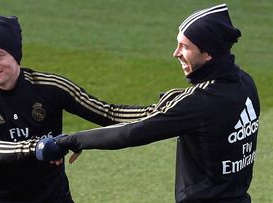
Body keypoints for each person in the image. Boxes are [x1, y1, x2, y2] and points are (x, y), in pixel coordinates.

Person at [38, 4, 260, 203]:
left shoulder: (200, 102)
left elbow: (133, 132)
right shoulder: (245, 83)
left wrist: (71, 140)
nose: (176, 53)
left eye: (184, 47)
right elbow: (154, 116)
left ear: (208, 53)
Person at [0, 8, 154, 203]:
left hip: (55, 197)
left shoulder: (50, 87)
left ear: (15, 55)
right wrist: (39, 146)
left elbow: (108, 113)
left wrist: (160, 111)